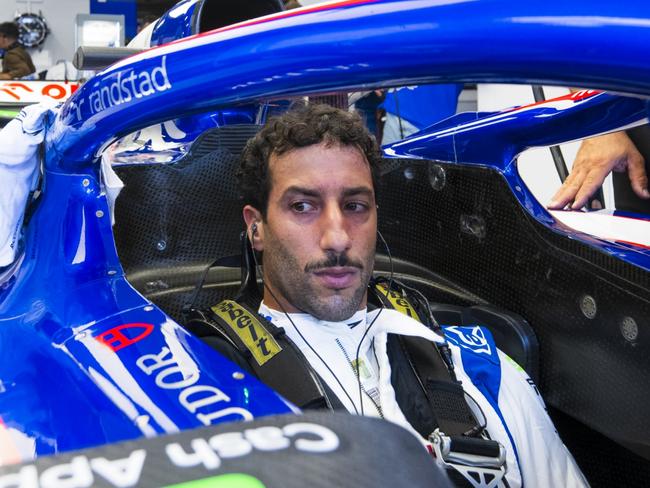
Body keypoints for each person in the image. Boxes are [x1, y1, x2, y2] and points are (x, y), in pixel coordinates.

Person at [202, 103, 587, 487]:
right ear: (257, 229)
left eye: (355, 206)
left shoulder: (476, 364)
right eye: (303, 206)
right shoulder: (213, 385)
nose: (337, 237)